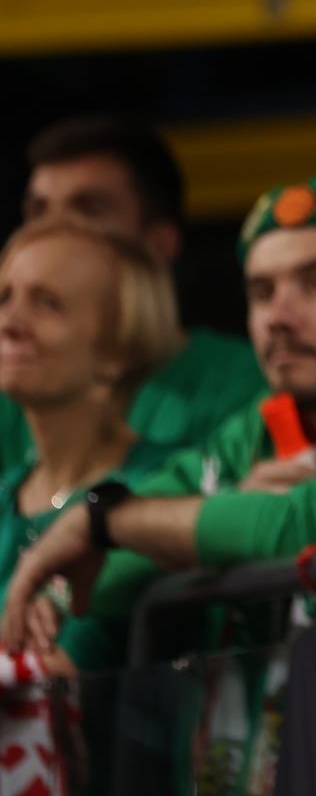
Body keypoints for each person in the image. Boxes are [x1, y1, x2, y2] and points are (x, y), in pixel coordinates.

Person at [0, 171, 316, 648]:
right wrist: (234, 509)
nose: (278, 317)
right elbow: (107, 572)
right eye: (263, 292)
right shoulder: (272, 413)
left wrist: (108, 521)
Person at [0, 116, 262, 466]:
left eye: (87, 212)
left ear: (159, 245)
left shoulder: (245, 386)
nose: (54, 232)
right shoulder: (12, 373)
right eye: (39, 211)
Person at [0, 220, 179, 672]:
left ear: (116, 352)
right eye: (4, 297)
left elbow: (56, 673)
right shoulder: (6, 494)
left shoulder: (157, 490)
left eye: (48, 303)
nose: (9, 323)